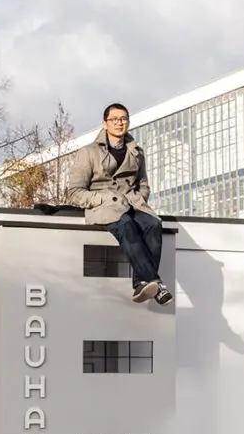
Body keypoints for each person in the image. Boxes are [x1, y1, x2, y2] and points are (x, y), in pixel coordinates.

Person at [68, 103, 173, 305]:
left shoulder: (137, 152)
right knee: (126, 225)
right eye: (114, 119)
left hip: (132, 204)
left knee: (154, 224)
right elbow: (74, 192)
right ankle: (155, 283)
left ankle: (141, 283)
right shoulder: (88, 152)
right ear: (105, 123)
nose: (119, 122)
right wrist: (102, 199)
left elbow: (144, 184)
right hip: (104, 207)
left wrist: (140, 199)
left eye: (123, 118)